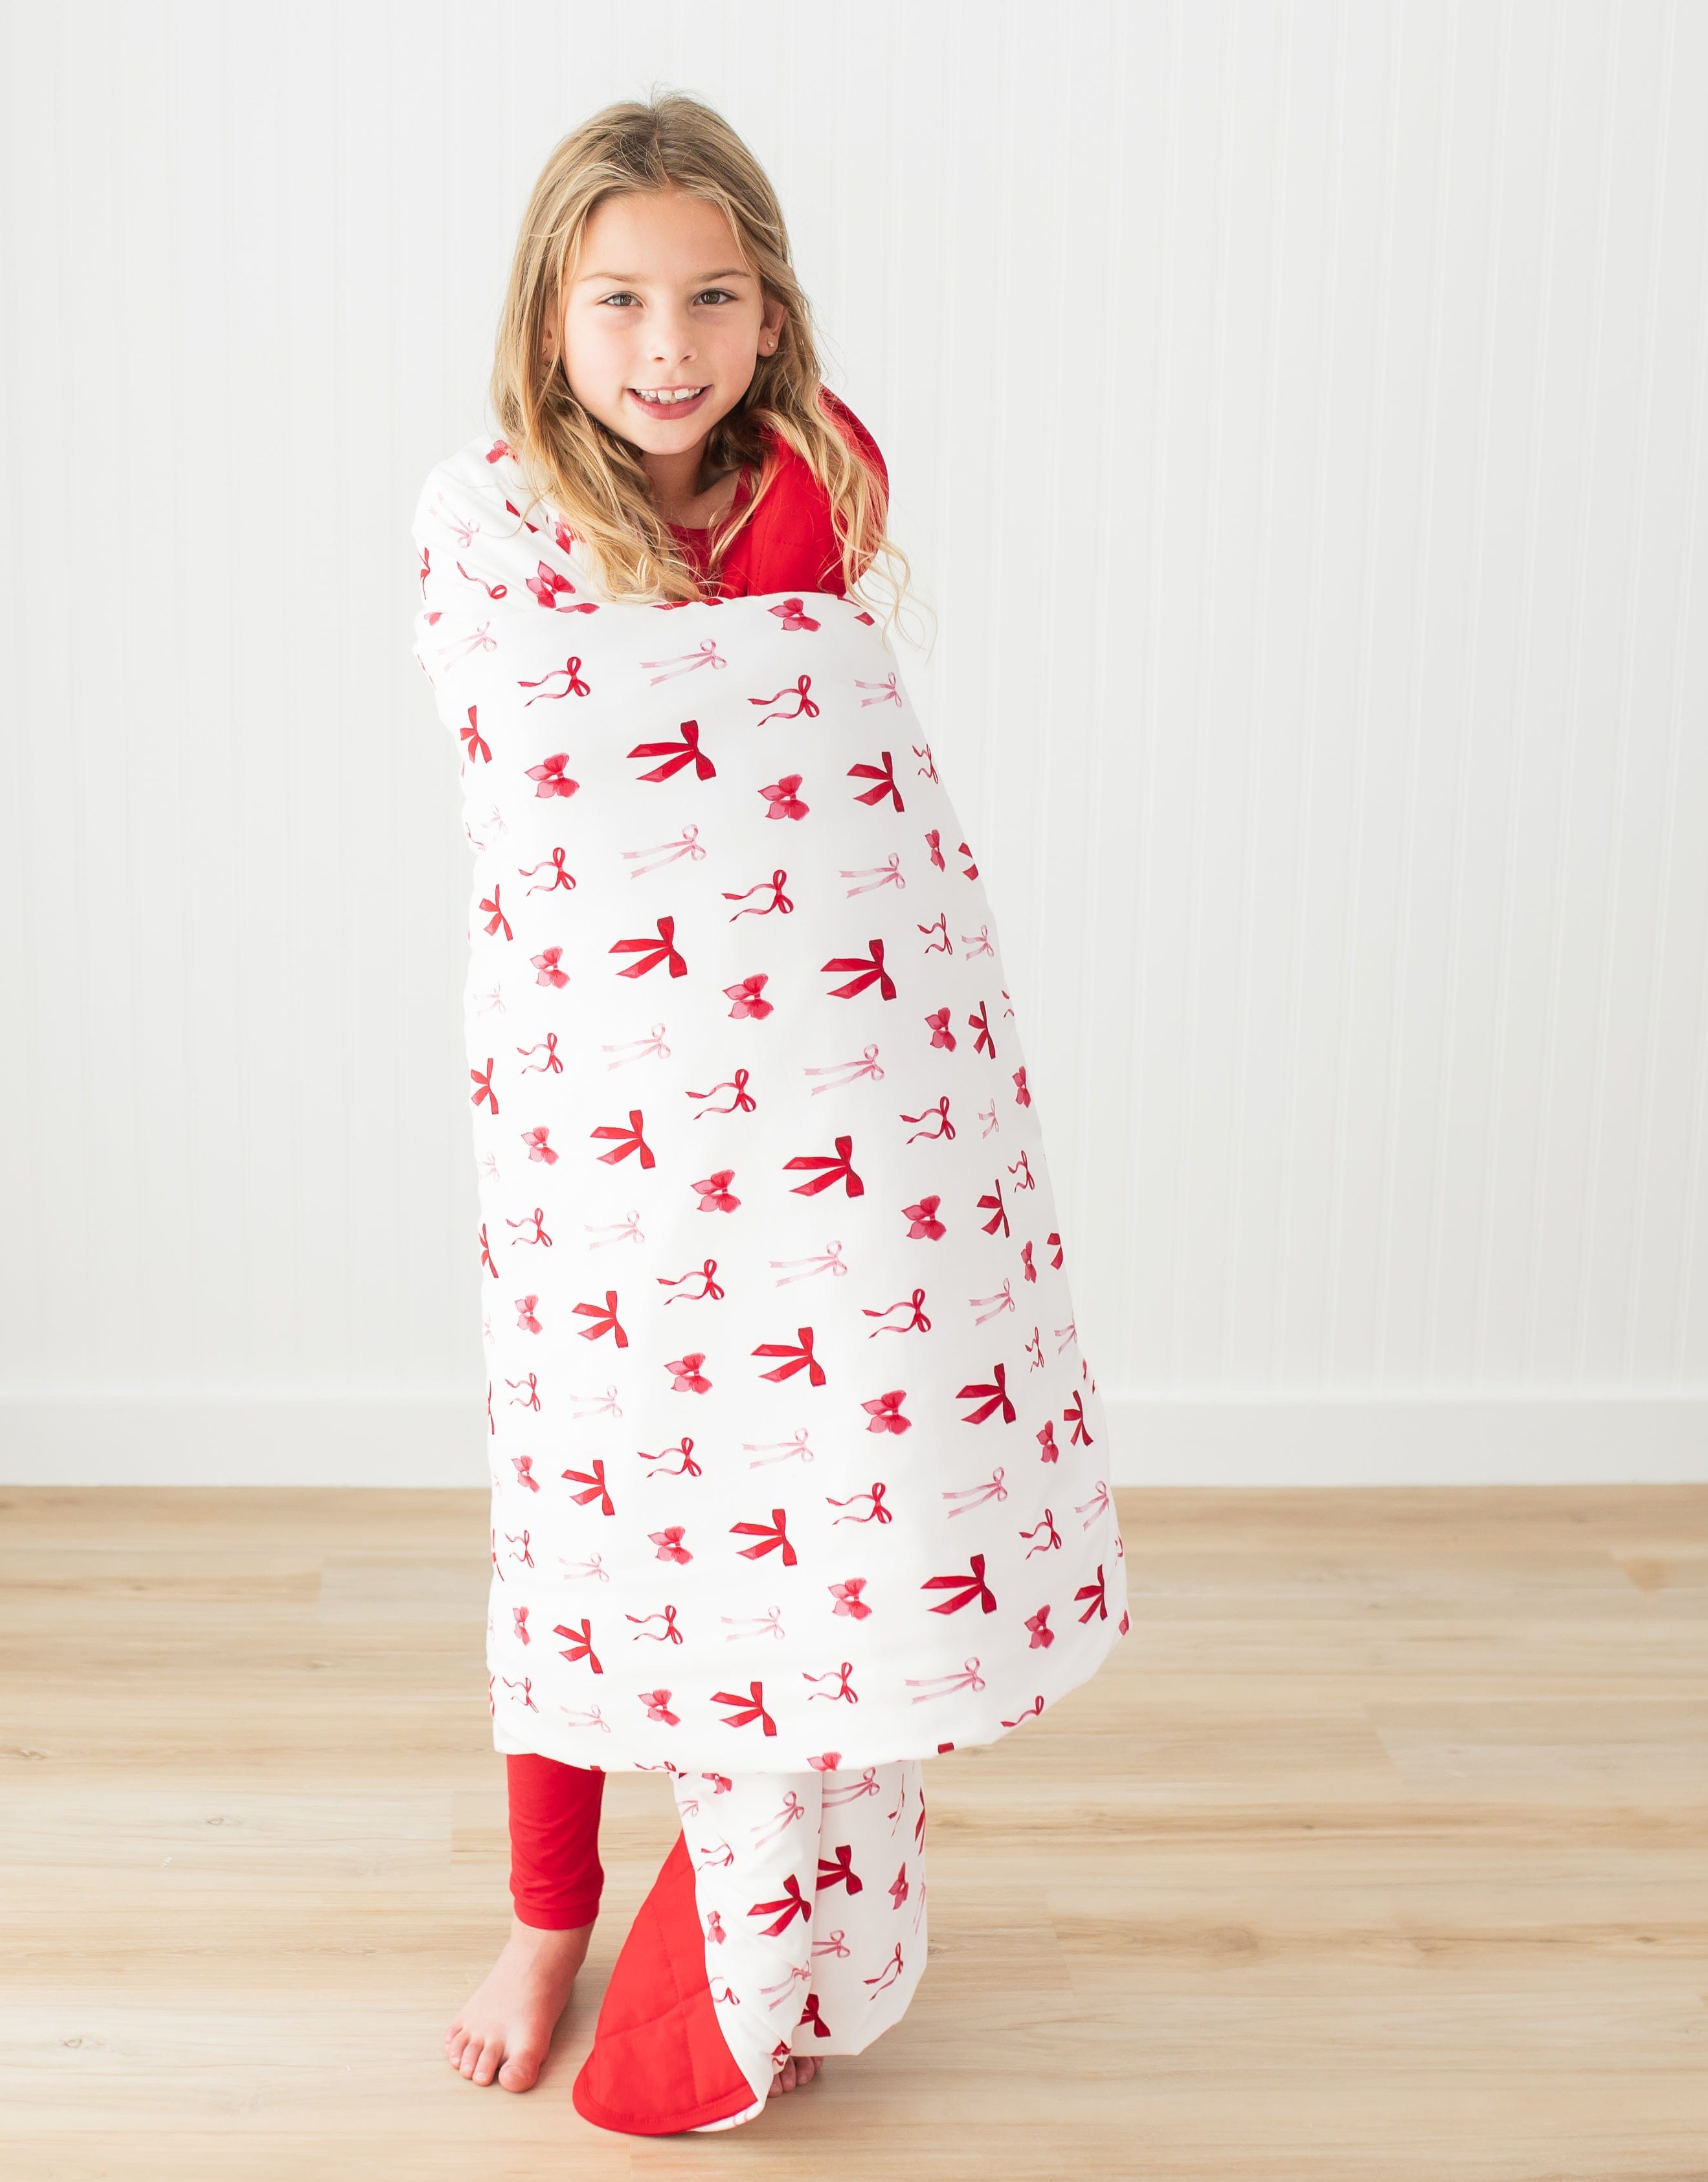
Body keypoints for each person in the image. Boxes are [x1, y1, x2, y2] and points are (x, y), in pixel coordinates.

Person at [409, 91, 1127, 2137]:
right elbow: (574, 784)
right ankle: (548, 1911)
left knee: (802, 1485)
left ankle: (759, 1886)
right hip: (606, 1108)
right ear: (549, 317)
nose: (668, 344)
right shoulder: (482, 517)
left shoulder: (816, 469)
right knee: (592, 1502)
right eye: (621, 297)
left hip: (828, 1087)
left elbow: (805, 758)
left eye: (713, 295)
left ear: (768, 308)